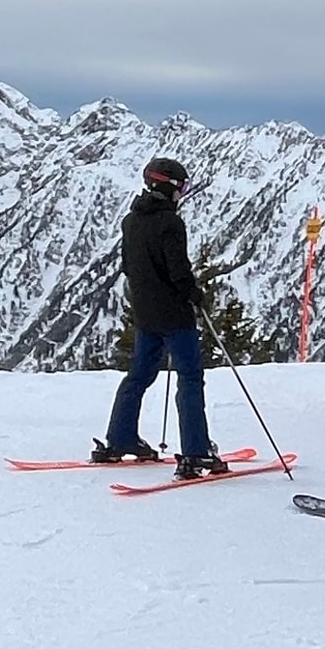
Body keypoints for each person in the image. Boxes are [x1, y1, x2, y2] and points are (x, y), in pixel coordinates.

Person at [92, 156, 221, 476]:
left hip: (145, 313)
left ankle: (120, 438)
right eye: (181, 188)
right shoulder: (170, 223)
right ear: (169, 187)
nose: (182, 194)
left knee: (138, 376)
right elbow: (178, 271)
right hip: (175, 315)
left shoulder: (131, 221)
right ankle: (196, 451)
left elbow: (128, 267)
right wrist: (194, 294)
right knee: (189, 377)